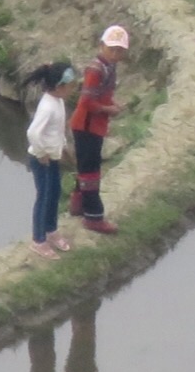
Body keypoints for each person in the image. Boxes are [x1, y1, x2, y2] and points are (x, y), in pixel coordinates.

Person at [69, 25, 128, 234]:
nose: (115, 53)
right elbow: (87, 102)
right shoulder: (96, 69)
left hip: (94, 125)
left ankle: (77, 203)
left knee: (88, 166)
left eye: (119, 50)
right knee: (91, 172)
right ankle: (93, 216)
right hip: (86, 126)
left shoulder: (109, 67)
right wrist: (108, 110)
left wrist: (112, 103)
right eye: (111, 48)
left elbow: (101, 95)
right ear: (102, 45)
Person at [25, 62, 77, 260]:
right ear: (58, 86)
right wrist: (41, 153)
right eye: (69, 85)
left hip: (53, 156)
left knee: (54, 193)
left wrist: (63, 146)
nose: (72, 89)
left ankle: (51, 230)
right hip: (42, 160)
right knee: (44, 196)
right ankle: (38, 240)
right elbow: (33, 132)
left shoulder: (59, 103)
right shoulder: (47, 106)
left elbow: (57, 130)